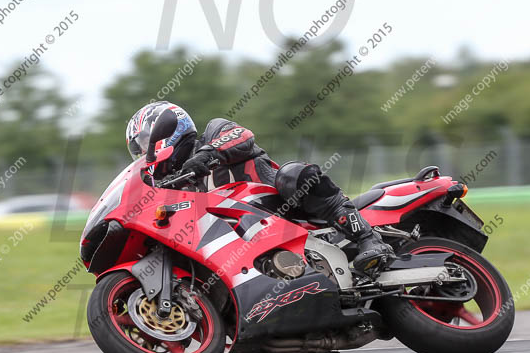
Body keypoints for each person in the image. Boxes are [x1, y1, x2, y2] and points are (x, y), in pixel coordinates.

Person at [126, 101, 394, 274]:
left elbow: (241, 136)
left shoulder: (214, 131)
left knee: (294, 174)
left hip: (290, 210)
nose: (143, 153)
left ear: (167, 128)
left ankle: (368, 239)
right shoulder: (180, 188)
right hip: (254, 243)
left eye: (145, 142)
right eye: (138, 150)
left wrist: (206, 155)